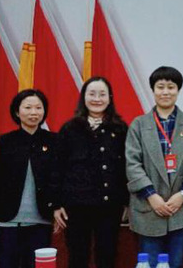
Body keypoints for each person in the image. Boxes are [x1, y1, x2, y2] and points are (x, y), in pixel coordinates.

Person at [125, 66, 183, 268]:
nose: (165, 92)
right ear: (153, 90)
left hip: (181, 209)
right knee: (149, 264)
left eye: (171, 87)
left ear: (178, 90)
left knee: (176, 263)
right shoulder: (139, 124)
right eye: (160, 87)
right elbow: (132, 164)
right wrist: (151, 196)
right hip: (148, 208)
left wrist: (182, 194)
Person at [52, 77, 129, 268]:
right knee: (77, 257)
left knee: (107, 256)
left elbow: (127, 168)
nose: (97, 99)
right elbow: (57, 168)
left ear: (110, 98)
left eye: (102, 94)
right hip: (76, 206)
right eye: (92, 94)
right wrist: (56, 204)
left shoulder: (120, 129)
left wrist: (128, 202)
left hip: (110, 205)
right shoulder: (70, 128)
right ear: (83, 97)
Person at [0, 89, 59, 268]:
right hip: (6, 221)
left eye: (38, 107)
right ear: (17, 111)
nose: (33, 112)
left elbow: (59, 179)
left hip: (41, 222)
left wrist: (57, 207)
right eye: (28, 107)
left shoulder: (54, 141)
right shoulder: (5, 142)